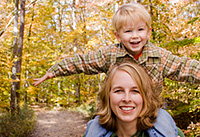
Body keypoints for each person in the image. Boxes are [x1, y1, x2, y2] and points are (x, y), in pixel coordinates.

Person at [33, 3, 200, 95]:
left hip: (150, 111)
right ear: (118, 36)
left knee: (168, 131)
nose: (135, 36)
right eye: (128, 31)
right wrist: (53, 71)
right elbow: (82, 62)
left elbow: (184, 67)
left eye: (140, 30)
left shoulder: (159, 56)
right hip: (116, 112)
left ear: (148, 32)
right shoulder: (110, 55)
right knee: (94, 131)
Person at [73, 62, 191, 137]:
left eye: (135, 91)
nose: (127, 98)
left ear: (146, 96)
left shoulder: (172, 136)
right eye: (118, 91)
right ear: (107, 96)